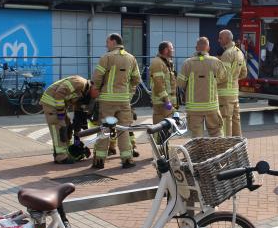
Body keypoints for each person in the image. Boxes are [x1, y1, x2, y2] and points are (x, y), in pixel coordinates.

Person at [91, 33, 141, 169]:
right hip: (124, 101)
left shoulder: (106, 57)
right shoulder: (131, 58)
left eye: (107, 42)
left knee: (105, 130)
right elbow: (136, 79)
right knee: (124, 130)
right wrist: (129, 92)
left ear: (113, 42)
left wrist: (96, 90)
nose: (106, 45)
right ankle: (127, 160)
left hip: (107, 100)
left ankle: (99, 160)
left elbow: (97, 77)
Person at [40, 75, 97, 164]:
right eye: (98, 91)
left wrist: (79, 123)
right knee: (60, 128)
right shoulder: (79, 82)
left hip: (59, 105)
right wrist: (60, 111)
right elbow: (59, 93)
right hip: (51, 103)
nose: (97, 95)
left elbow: (77, 106)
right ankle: (61, 157)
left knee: (68, 127)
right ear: (93, 86)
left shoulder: (85, 92)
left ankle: (66, 151)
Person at [178, 37, 227, 137]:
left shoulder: (187, 63)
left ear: (196, 48)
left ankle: (199, 153)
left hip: (193, 108)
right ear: (208, 48)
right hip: (212, 106)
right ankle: (219, 152)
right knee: (216, 133)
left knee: (197, 136)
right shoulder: (216, 62)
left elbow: (180, 84)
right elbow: (224, 78)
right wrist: (213, 82)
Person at [218, 29, 247, 137]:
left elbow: (222, 76)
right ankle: (238, 145)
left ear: (227, 38)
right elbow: (244, 73)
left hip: (224, 95)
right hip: (234, 93)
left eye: (220, 38)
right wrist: (234, 79)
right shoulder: (239, 53)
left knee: (226, 121)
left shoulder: (227, 54)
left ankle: (227, 146)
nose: (219, 40)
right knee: (236, 121)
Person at [150, 41, 177, 124]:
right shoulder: (157, 62)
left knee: (167, 129)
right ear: (166, 50)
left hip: (167, 103)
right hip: (162, 103)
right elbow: (159, 84)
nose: (173, 50)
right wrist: (166, 100)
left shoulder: (167, 62)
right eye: (171, 48)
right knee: (160, 130)